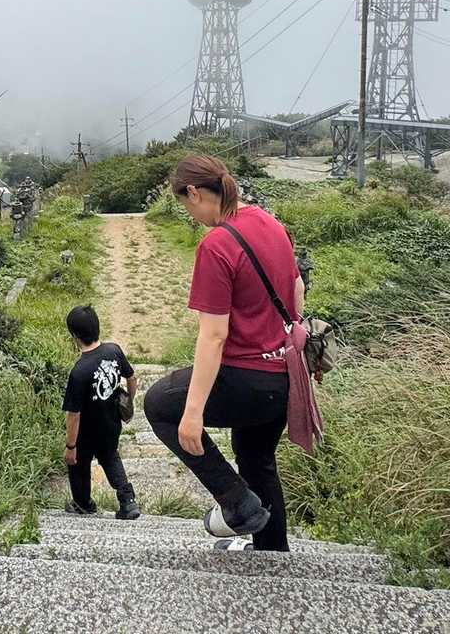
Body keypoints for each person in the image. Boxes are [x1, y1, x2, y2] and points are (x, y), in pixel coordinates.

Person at [143, 153, 305, 552]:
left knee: (159, 404)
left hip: (246, 380)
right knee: (256, 459)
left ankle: (236, 503)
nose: (190, 214)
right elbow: (297, 289)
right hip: (284, 378)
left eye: (186, 205)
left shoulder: (217, 245)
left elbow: (213, 337)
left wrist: (193, 412)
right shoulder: (270, 223)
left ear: (195, 193)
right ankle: (272, 553)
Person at [61, 304, 141, 520]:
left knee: (78, 464)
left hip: (87, 432)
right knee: (110, 457)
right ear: (97, 327)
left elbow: (74, 415)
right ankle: (128, 501)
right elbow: (131, 377)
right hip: (111, 423)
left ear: (74, 335)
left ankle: (83, 504)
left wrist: (71, 446)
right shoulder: (113, 350)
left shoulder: (79, 372)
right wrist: (128, 402)